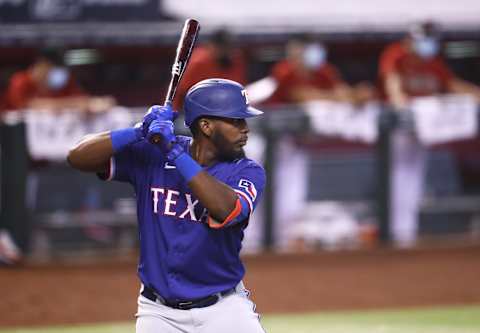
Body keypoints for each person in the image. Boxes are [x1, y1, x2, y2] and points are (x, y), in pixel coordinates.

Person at [68, 78, 266, 332]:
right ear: (206, 126)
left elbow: (227, 209)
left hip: (224, 310)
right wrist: (137, 131)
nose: (245, 128)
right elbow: (77, 157)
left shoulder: (247, 171)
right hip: (158, 313)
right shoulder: (153, 155)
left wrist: (174, 152)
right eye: (236, 120)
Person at [379, 21, 480, 246]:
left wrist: (476, 94)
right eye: (423, 39)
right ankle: (394, 232)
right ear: (410, 40)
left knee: (413, 177)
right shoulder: (396, 54)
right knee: (397, 176)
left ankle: (406, 231)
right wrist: (399, 104)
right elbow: (392, 82)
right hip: (398, 126)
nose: (427, 44)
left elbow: (452, 84)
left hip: (421, 126)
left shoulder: (433, 62)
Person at [267, 34, 373, 105]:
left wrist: (355, 94)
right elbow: (302, 96)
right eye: (294, 52)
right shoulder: (283, 70)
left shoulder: (324, 69)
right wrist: (341, 97)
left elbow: (341, 90)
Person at [4, 47, 115, 112]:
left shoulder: (61, 80)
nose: (57, 72)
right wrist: (70, 104)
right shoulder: (20, 81)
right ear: (42, 65)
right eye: (52, 68)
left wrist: (95, 102)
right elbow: (24, 107)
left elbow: (80, 99)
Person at [173, 28, 247, 111]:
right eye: (222, 46)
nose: (226, 50)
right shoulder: (199, 61)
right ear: (212, 45)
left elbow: (238, 90)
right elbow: (182, 91)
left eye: (228, 46)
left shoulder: (236, 60)